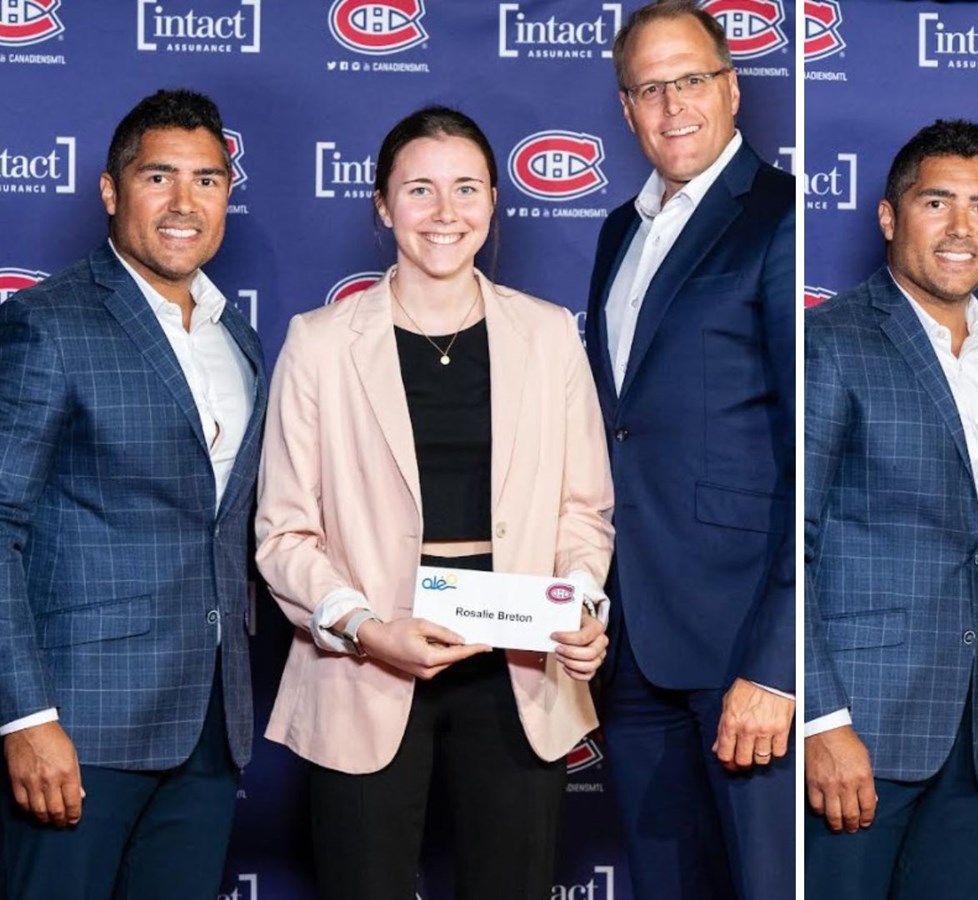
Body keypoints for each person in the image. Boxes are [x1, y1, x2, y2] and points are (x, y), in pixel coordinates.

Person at [254, 106, 613, 900]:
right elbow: (284, 532)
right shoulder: (319, 342)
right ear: (383, 206)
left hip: (520, 665)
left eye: (466, 188)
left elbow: (583, 510)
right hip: (365, 665)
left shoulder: (550, 335)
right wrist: (366, 628)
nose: (445, 212)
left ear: (494, 201)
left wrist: (581, 605)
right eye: (419, 189)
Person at [0, 89, 263, 900]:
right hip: (79, 727)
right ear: (112, 192)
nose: (185, 202)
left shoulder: (238, 337)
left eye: (207, 180)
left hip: (210, 728)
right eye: (159, 177)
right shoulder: (48, 323)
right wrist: (26, 718)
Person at [803, 119, 978, 900]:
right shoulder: (830, 342)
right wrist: (819, 720)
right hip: (857, 728)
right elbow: (789, 542)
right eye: (936, 203)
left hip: (977, 737)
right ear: (890, 217)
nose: (961, 228)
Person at [583, 2, 795, 897]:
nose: (673, 106)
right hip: (632, 640)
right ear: (626, 107)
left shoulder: (781, 215)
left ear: (731, 89)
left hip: (741, 640)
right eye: (649, 88)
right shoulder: (618, 231)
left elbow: (813, 454)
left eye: (692, 80)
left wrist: (778, 666)